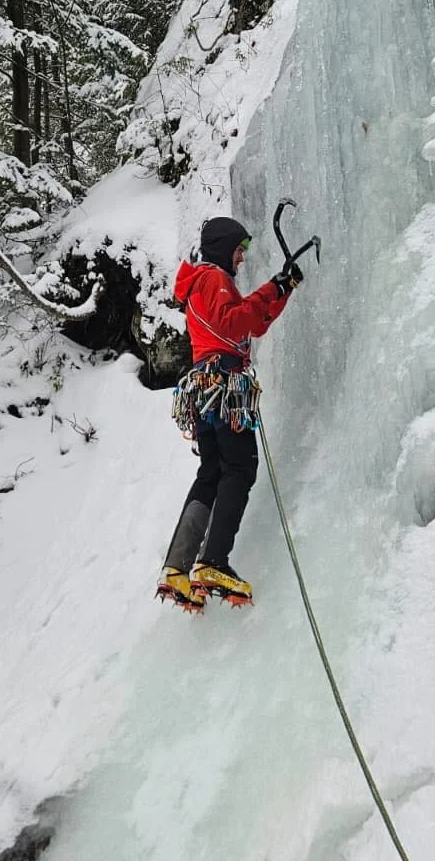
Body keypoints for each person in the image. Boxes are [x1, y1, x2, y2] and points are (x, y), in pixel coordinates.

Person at [157, 215, 302, 611]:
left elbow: (247, 321)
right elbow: (237, 324)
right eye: (239, 249)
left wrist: (281, 291)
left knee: (212, 473)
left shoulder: (199, 283)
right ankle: (212, 560)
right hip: (223, 386)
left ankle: (178, 567)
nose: (241, 257)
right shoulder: (215, 278)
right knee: (240, 468)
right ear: (223, 247)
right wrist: (275, 286)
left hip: (201, 388)